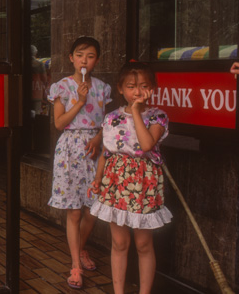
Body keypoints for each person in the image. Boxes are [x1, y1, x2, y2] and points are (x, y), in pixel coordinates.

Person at [89, 61, 172, 294]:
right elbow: (106, 153)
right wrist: (97, 180)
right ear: (120, 88)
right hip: (115, 181)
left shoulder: (158, 116)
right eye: (131, 86)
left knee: (144, 244)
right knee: (119, 243)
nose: (137, 92)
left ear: (153, 87)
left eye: (143, 86)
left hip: (144, 183)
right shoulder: (111, 117)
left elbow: (146, 144)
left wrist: (135, 111)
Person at [47, 36, 111, 289]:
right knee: (73, 210)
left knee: (93, 208)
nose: (85, 60)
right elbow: (59, 124)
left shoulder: (103, 88)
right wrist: (80, 101)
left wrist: (98, 138)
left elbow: (108, 122)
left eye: (91, 55)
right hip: (70, 148)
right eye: (80, 54)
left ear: (97, 60)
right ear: (71, 58)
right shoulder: (61, 87)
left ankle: (81, 249)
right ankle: (75, 264)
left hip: (95, 149)